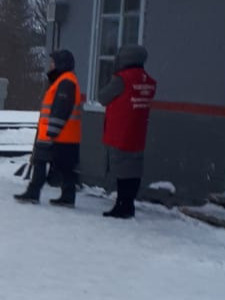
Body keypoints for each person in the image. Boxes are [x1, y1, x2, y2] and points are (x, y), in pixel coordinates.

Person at [15, 49, 83, 206]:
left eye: (53, 63)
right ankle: (66, 196)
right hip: (63, 134)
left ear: (61, 64)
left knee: (43, 162)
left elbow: (61, 108)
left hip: (57, 133)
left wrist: (52, 131)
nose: (50, 66)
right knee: (64, 166)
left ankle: (34, 192)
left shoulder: (65, 82)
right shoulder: (64, 80)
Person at [99, 44, 157, 218]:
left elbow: (103, 97)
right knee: (134, 169)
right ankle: (129, 204)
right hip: (138, 131)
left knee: (122, 170)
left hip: (121, 131)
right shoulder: (146, 79)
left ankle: (121, 205)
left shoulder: (122, 79)